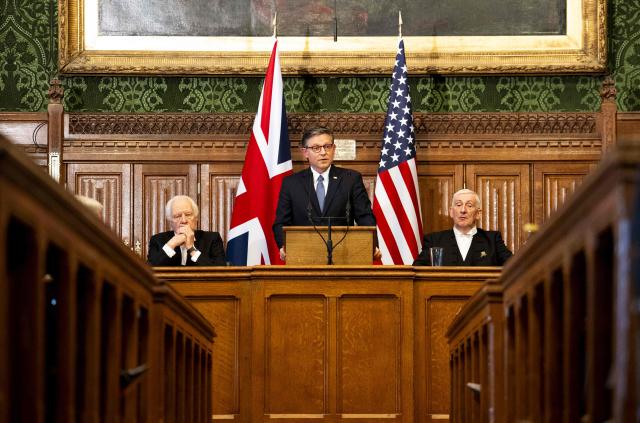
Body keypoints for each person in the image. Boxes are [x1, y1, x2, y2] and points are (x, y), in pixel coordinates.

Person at [273, 126, 376, 261]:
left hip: (344, 255)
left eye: (327, 146)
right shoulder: (291, 183)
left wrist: (373, 246)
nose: (323, 152)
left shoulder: (351, 179)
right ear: (305, 152)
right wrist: (284, 246)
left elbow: (365, 217)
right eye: (316, 148)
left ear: (334, 149)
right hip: (303, 256)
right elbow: (281, 223)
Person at [413, 188, 513, 266]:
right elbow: (416, 271)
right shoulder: (434, 240)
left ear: (478, 213)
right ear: (451, 212)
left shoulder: (493, 240)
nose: (463, 210)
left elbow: (513, 267)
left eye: (469, 205)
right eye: (458, 204)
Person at [147, 195, 226, 266]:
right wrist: (172, 244)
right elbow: (149, 271)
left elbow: (220, 271)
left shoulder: (212, 239)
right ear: (170, 221)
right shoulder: (157, 240)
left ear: (196, 218)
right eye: (177, 216)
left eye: (188, 215)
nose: (184, 221)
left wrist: (191, 248)